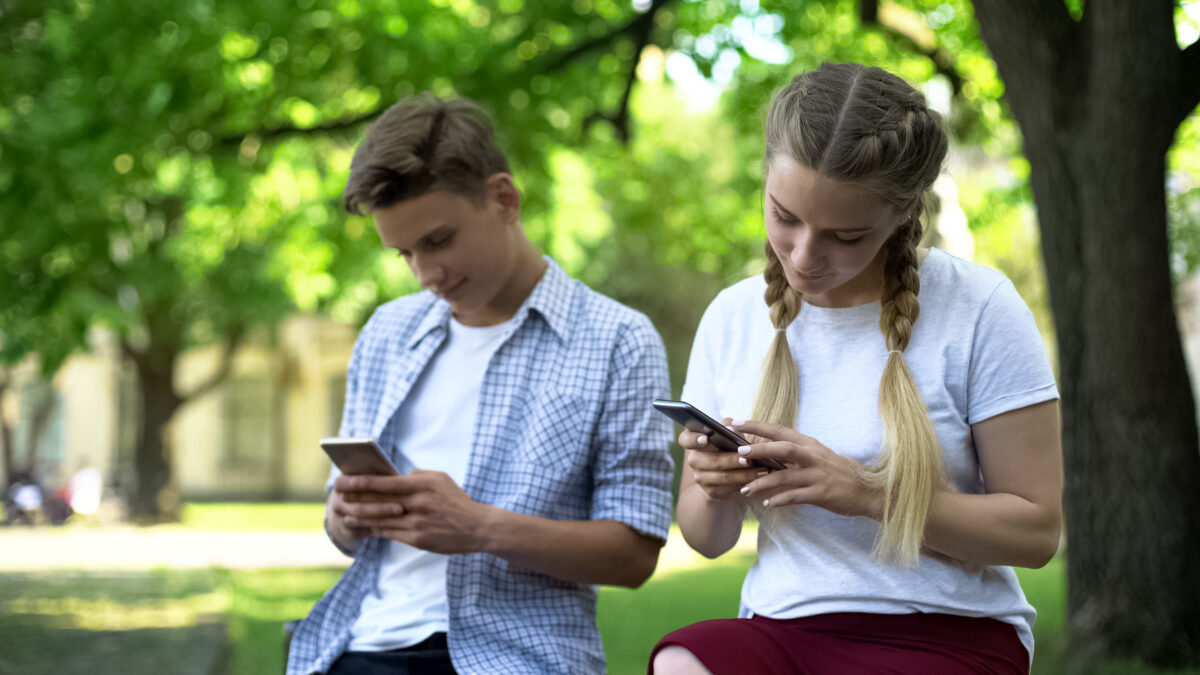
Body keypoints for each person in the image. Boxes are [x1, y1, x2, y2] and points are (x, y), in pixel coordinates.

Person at [650, 62, 1062, 674]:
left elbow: (1034, 535)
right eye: (784, 216)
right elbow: (706, 539)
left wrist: (865, 493)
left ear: (902, 216)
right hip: (783, 627)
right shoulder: (732, 316)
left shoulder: (980, 308)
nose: (803, 256)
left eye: (845, 235)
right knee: (682, 660)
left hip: (948, 632)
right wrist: (716, 487)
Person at [286, 93, 675, 675]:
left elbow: (634, 555)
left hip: (517, 654)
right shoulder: (388, 333)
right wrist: (342, 518)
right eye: (404, 253)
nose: (426, 274)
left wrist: (479, 528)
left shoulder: (618, 339)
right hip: (360, 646)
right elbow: (343, 532)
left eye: (439, 241)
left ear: (504, 199)